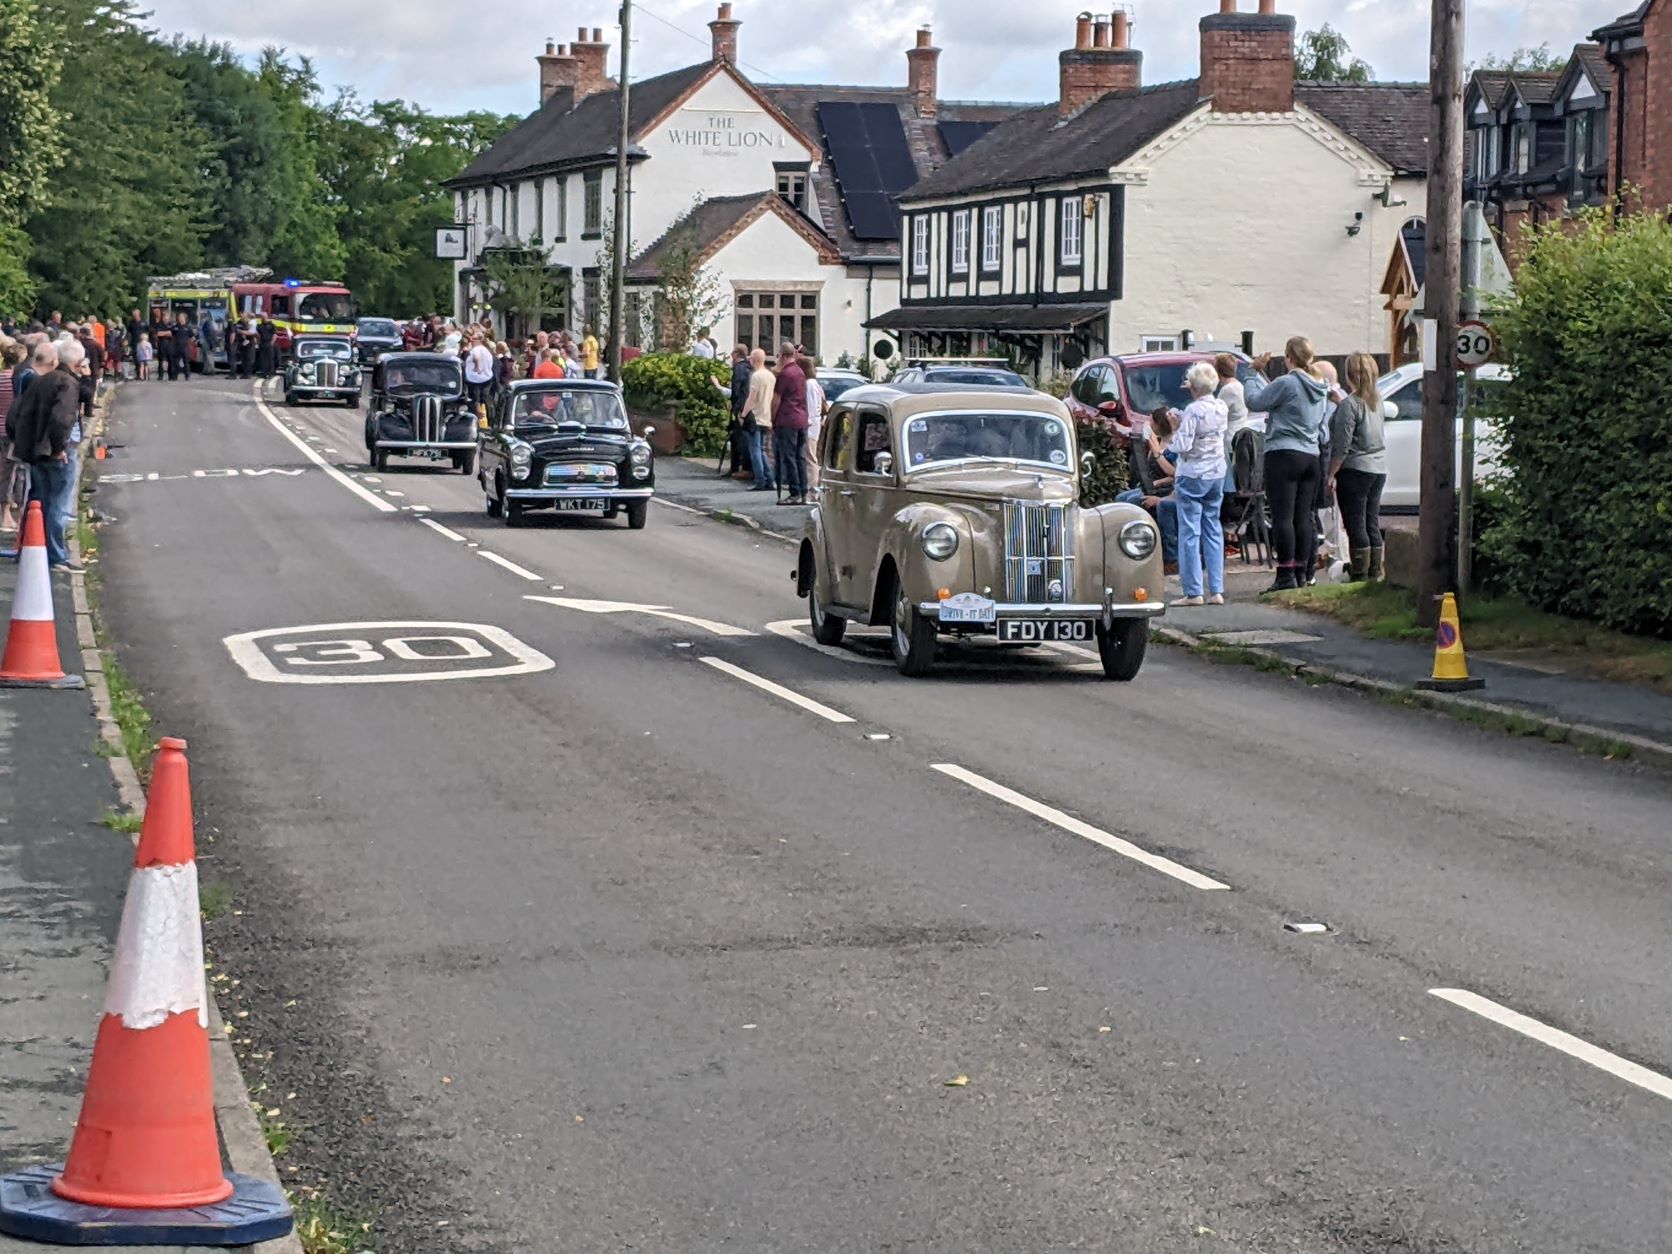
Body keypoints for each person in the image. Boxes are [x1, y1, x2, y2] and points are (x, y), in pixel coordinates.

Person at [1245, 336, 1329, 592]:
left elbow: (1255, 401)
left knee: (1283, 517)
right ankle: (1303, 572)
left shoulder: (1287, 382)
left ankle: (1285, 574)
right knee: (1303, 517)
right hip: (1311, 455)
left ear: (1288, 358)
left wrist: (1251, 373)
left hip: (1284, 453)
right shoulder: (1320, 385)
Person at [1160, 361, 1229, 606]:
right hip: (1216, 472)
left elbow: (1182, 446)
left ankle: (1193, 591)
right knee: (1213, 527)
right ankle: (1217, 589)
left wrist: (1175, 429)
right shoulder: (1221, 407)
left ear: (1194, 386)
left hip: (1192, 474)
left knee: (1189, 531)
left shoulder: (1192, 410)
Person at [8, 340, 80, 568]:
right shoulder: (67, 383)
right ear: (76, 363)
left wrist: (22, 442)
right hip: (56, 452)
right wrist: (58, 448)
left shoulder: (38, 382)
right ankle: (57, 555)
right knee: (58, 503)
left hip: (35, 452)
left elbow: (14, 415)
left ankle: (30, 547)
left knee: (38, 500)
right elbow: (62, 419)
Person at [1329, 352, 1388, 582]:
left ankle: (1360, 573)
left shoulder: (1350, 405)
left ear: (1349, 375)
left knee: (1355, 524)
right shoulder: (1377, 401)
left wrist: (1331, 474)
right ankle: (1375, 573)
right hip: (1378, 468)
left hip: (1354, 469)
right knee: (1371, 521)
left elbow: (1342, 446)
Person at [770, 342, 810, 504]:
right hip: (801, 419)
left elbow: (777, 399)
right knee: (800, 457)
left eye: (779, 356)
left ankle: (794, 492)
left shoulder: (786, 374)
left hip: (787, 419)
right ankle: (803, 490)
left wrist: (772, 418)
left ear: (783, 355)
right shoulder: (800, 372)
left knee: (789, 457)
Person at [711, 346, 753, 480]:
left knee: (738, 439)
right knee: (740, 439)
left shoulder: (740, 369)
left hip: (739, 410)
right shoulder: (749, 368)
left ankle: (738, 468)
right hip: (745, 410)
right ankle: (739, 468)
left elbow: (738, 392)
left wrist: (737, 410)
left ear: (736, 354)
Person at [741, 348, 776, 493]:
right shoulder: (771, 376)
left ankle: (760, 480)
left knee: (755, 450)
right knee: (761, 450)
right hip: (766, 417)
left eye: (750, 359)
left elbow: (752, 398)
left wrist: (743, 414)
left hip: (755, 417)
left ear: (754, 360)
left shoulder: (756, 376)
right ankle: (769, 479)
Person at [802, 353, 826, 492]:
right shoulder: (814, 384)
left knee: (811, 456)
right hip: (814, 422)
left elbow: (811, 405)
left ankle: (813, 486)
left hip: (811, 424)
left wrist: (807, 421)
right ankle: (812, 483)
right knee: (810, 454)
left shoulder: (809, 384)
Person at [463, 334, 495, 410]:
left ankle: (477, 415)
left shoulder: (475, 349)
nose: (471, 341)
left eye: (473, 339)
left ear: (479, 340)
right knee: (485, 399)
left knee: (475, 401)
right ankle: (488, 416)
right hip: (487, 378)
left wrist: (477, 367)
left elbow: (477, 357)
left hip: (475, 379)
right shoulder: (486, 350)